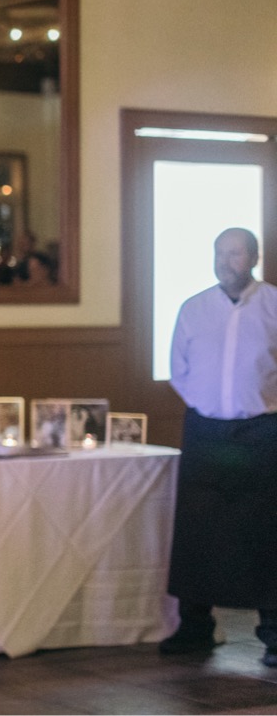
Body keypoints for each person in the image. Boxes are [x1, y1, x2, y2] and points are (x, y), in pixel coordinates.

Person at [161, 227, 277, 667]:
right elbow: (179, 369)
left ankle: (274, 632)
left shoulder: (274, 305)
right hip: (206, 432)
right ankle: (195, 627)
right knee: (198, 530)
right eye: (219, 253)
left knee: (265, 531)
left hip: (262, 432)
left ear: (254, 258)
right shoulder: (193, 309)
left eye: (234, 253)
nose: (225, 261)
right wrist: (208, 406)